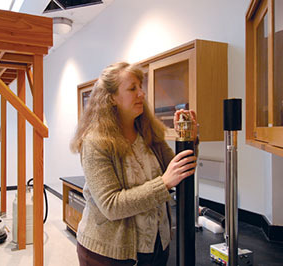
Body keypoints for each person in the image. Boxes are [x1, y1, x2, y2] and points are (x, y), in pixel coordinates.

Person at [70, 62, 198, 266]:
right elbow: (111, 205)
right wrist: (163, 183)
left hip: (155, 246)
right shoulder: (95, 142)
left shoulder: (148, 132)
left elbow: (179, 171)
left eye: (141, 86)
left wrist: (187, 138)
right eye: (132, 88)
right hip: (109, 254)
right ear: (111, 98)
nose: (141, 93)